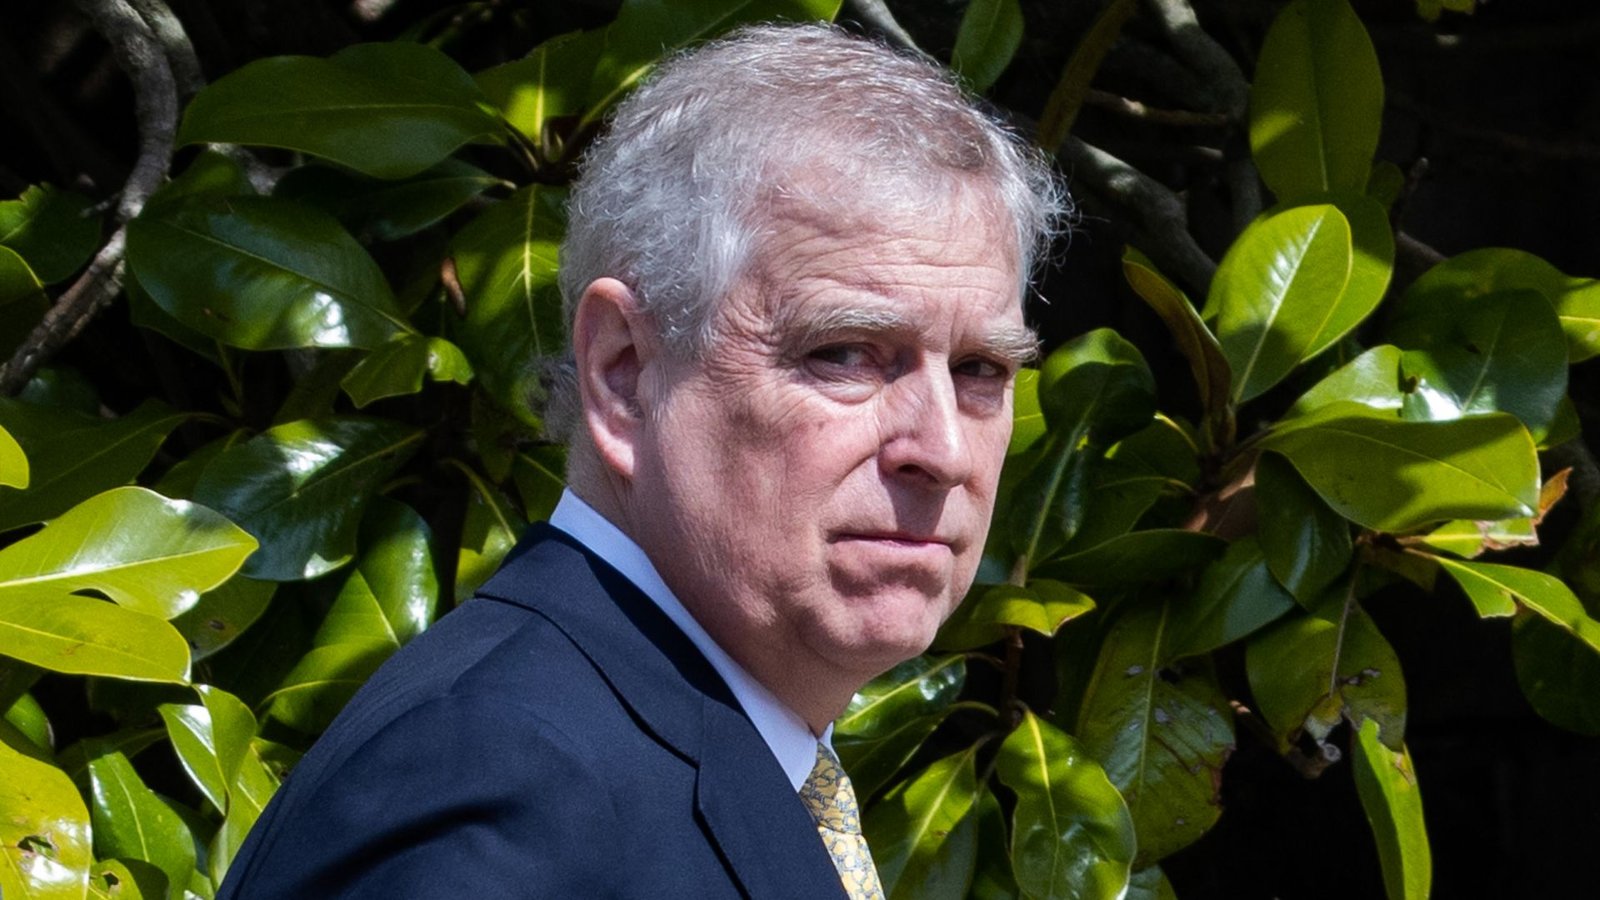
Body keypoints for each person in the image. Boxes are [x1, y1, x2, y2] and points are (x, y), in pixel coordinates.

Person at [218, 21, 1064, 900]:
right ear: (623, 374)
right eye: (843, 353)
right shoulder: (497, 780)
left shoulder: (662, 742)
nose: (943, 451)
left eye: (980, 370)